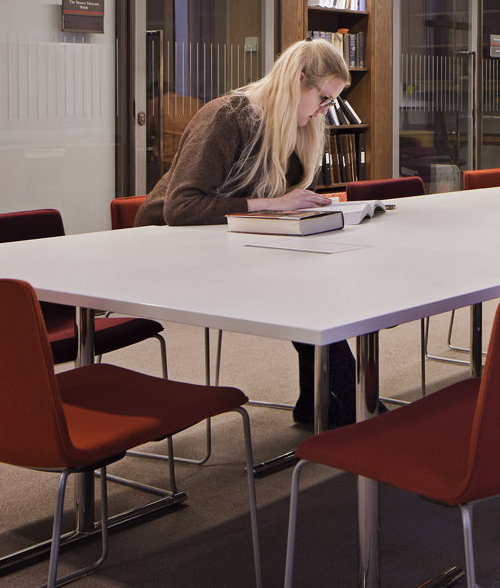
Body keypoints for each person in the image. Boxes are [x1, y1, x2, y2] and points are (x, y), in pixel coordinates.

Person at [136, 39, 356, 428]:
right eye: (323, 99)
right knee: (304, 293)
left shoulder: (291, 126)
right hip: (167, 251)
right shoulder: (228, 116)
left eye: (331, 103)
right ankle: (351, 408)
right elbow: (181, 208)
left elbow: (279, 198)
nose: (324, 111)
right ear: (299, 81)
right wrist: (272, 206)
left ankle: (322, 402)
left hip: (230, 242)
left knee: (310, 286)